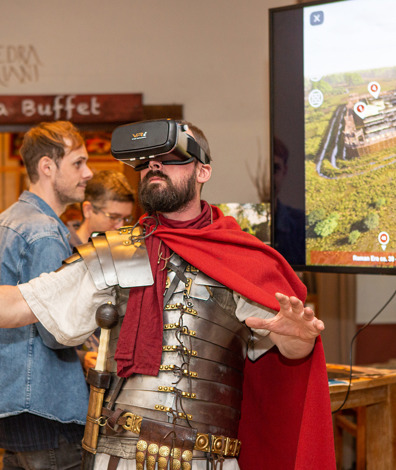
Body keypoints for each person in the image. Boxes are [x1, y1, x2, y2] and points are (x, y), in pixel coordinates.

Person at [0, 119, 335, 469]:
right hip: (121, 458)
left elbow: (291, 349)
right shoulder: (115, 253)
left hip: (209, 460)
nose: (154, 165)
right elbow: (20, 304)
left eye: (170, 157)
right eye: (145, 161)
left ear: (203, 171)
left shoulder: (243, 260)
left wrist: (300, 341)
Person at [0, 121, 93, 470]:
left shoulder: (9, 219)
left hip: (15, 405)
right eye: (78, 163)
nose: (89, 172)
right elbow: (56, 332)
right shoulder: (44, 232)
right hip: (47, 407)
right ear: (47, 167)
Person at [74, 169, 135, 244]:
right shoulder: (64, 251)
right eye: (113, 217)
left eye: (126, 218)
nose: (120, 226)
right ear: (88, 210)